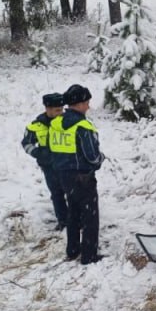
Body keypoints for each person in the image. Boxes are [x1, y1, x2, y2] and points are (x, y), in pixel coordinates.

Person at [49, 84, 105, 265]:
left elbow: (52, 149)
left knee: (73, 213)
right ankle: (89, 255)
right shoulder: (83, 126)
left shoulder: (56, 123)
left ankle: (72, 250)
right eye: (87, 102)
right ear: (79, 104)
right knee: (90, 216)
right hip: (83, 177)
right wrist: (101, 159)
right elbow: (92, 156)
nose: (88, 106)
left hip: (63, 176)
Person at [22, 92, 68, 231]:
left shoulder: (68, 121)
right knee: (57, 194)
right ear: (47, 109)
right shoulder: (36, 126)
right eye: (57, 110)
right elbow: (26, 143)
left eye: (61, 109)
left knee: (73, 193)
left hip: (68, 165)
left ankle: (77, 219)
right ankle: (63, 221)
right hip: (49, 167)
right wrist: (38, 153)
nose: (60, 113)